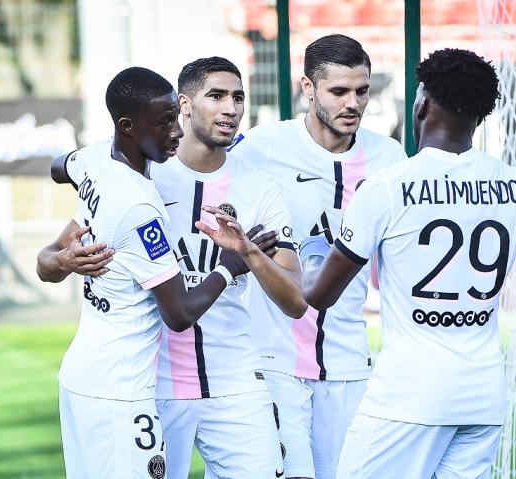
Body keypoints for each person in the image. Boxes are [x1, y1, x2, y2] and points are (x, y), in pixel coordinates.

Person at [300, 48, 516, 478]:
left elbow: (320, 295)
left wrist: (303, 258)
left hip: (408, 399)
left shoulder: (386, 187)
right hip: (482, 401)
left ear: (423, 103)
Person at [36, 66, 292, 478]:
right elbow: (178, 313)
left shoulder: (96, 160)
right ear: (129, 126)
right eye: (165, 121)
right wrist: (231, 265)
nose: (176, 131)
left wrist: (58, 259)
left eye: (238, 97)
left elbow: (58, 166)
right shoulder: (140, 205)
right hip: (131, 387)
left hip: (113, 376)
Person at [228, 34, 407, 479]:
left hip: (350, 363)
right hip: (275, 360)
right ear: (308, 87)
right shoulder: (261, 148)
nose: (353, 103)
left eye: (362, 91)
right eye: (339, 91)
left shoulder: (389, 157)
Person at [150, 56, 305, 479]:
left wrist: (249, 254)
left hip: (235, 377)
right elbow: (52, 257)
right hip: (155, 378)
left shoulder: (259, 186)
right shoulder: (146, 178)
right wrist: (58, 259)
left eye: (238, 97)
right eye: (216, 96)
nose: (230, 108)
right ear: (184, 104)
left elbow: (295, 301)